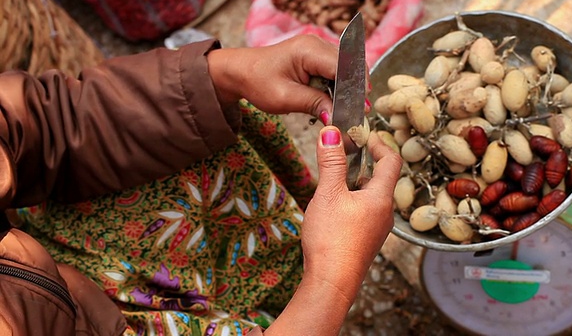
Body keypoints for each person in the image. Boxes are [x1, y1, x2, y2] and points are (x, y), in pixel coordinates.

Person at [0, 34, 402, 335]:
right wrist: (330, 283)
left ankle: (279, 301)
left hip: (56, 278)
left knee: (200, 142)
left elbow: (48, 126)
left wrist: (221, 76)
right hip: (81, 307)